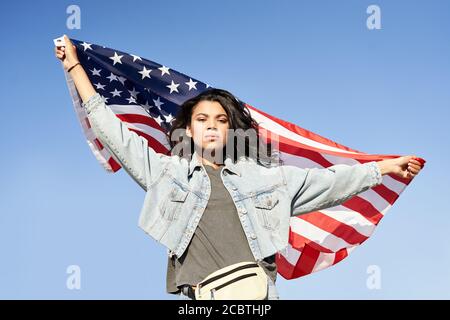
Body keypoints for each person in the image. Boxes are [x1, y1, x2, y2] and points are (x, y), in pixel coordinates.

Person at [55, 35, 424, 300]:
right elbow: (115, 133)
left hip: (253, 291)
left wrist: (383, 168)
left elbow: (328, 181)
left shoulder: (264, 179)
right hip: (198, 296)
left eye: (220, 119)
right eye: (202, 119)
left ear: (231, 129)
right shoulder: (165, 174)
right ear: (189, 129)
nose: (212, 125)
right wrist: (73, 66)